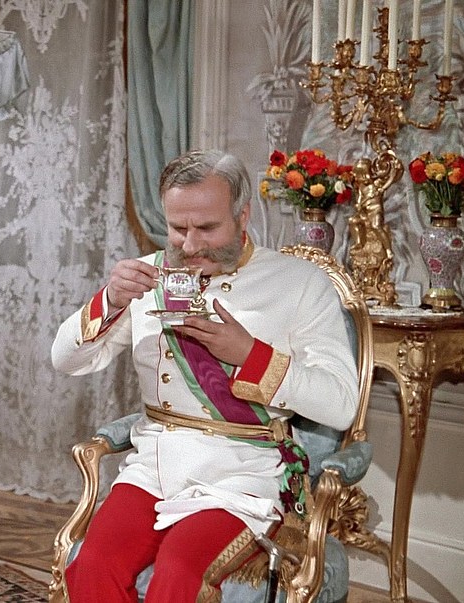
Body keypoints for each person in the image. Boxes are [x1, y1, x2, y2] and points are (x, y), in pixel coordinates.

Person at [51, 149, 358, 602]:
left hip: (243, 475)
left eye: (208, 228)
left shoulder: (300, 284)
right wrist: (110, 300)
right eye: (178, 228)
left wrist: (249, 355)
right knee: (94, 564)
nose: (191, 246)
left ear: (242, 215)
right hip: (154, 467)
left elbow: (341, 404)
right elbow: (65, 360)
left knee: (180, 571)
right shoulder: (148, 277)